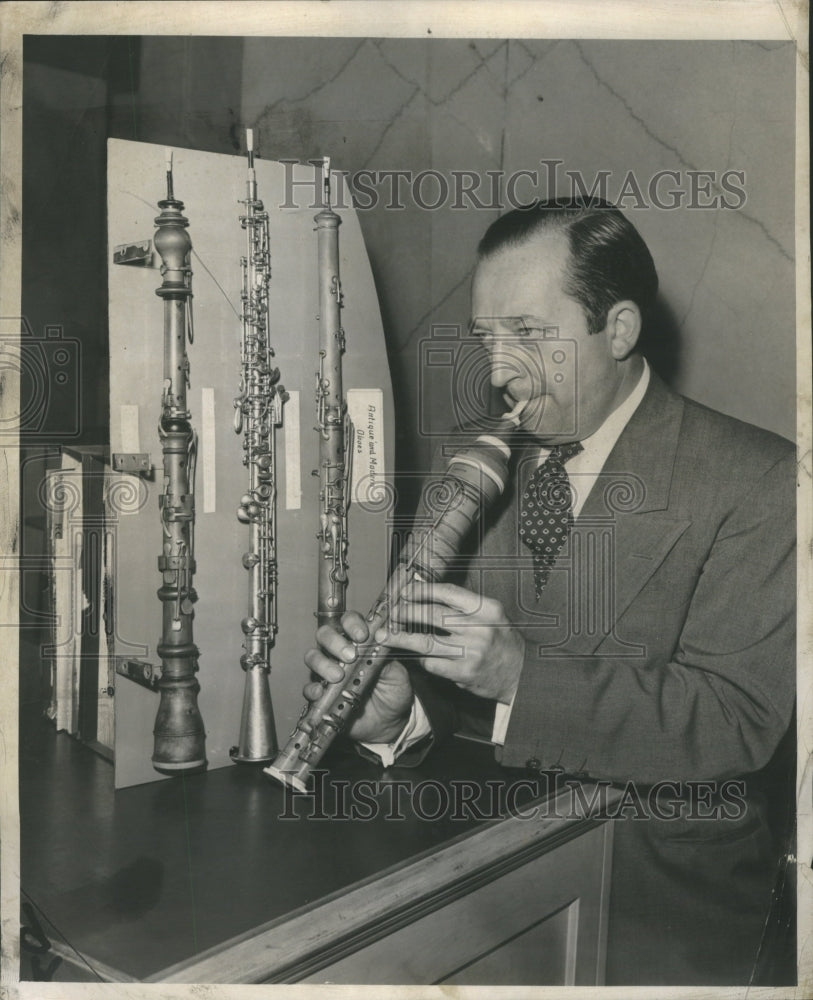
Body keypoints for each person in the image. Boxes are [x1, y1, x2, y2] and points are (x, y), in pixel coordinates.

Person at [304, 198, 796, 985]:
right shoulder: (470, 464)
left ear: (621, 330)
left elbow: (734, 724)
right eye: (486, 338)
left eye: (528, 335)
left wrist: (520, 677)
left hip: (658, 911)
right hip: (480, 890)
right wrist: (399, 716)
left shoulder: (761, 480)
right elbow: (455, 696)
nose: (498, 371)